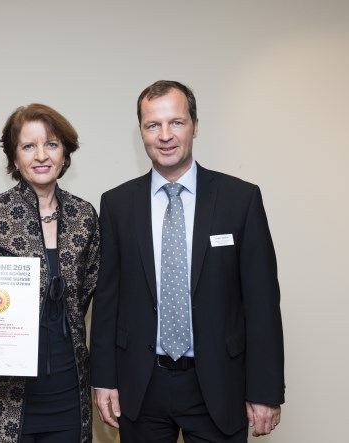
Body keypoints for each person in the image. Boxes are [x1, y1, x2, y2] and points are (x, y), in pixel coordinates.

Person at [90, 80, 284, 442]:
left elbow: (261, 303)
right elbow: (107, 301)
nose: (165, 135)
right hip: (141, 386)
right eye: (153, 125)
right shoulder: (117, 205)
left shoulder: (239, 199)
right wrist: (103, 379)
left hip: (219, 385)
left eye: (176, 122)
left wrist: (265, 390)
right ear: (141, 132)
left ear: (194, 125)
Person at [0, 104, 99, 442]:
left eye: (52, 144)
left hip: (67, 389)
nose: (41, 155)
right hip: (1, 396)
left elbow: (85, 296)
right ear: (14, 158)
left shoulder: (85, 216)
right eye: (28, 146)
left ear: (64, 154)